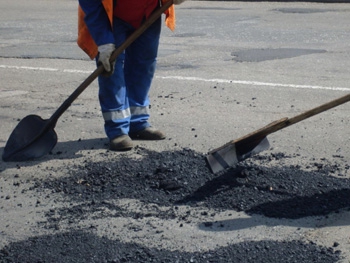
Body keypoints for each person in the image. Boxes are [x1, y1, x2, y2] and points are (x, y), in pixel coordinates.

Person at [77, 0, 185, 151]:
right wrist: (104, 42)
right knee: (111, 69)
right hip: (112, 16)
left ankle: (138, 122)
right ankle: (117, 130)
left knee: (143, 65)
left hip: (148, 12)